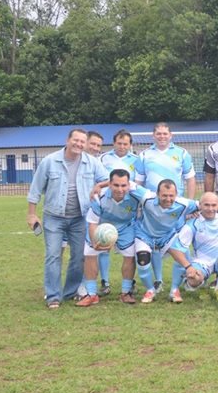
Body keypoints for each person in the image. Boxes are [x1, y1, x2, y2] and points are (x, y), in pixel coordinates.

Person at [27, 129, 109, 309]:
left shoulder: (92, 163)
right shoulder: (50, 161)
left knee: (79, 256)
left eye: (82, 142)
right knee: (53, 256)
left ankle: (70, 291)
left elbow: (107, 180)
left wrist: (98, 185)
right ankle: (53, 296)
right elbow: (35, 189)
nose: (79, 144)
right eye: (76, 140)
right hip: (54, 217)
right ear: (67, 140)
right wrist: (32, 214)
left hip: (80, 217)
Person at [134, 122, 196, 288]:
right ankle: (158, 280)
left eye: (165, 133)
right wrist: (139, 207)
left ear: (171, 135)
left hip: (174, 207)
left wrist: (189, 205)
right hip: (152, 208)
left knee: (181, 243)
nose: (162, 136)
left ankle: (184, 279)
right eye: (158, 133)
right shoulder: (144, 155)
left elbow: (190, 179)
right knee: (153, 244)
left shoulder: (182, 153)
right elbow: (138, 182)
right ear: (153, 135)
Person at [76, 169, 148, 306]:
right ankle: (91, 294)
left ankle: (126, 293)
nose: (120, 189)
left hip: (125, 227)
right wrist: (95, 242)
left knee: (130, 255)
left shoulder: (136, 194)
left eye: (123, 185)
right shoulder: (98, 197)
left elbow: (153, 198)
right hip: (102, 226)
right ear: (109, 184)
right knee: (90, 254)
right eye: (116, 185)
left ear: (129, 185)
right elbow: (92, 223)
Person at [133, 179, 200, 304]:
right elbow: (127, 184)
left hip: (167, 236)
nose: (168, 199)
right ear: (157, 194)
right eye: (164, 195)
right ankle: (150, 290)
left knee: (183, 255)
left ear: (176, 195)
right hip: (145, 235)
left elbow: (206, 204)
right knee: (143, 261)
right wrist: (100, 186)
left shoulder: (183, 203)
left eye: (171, 196)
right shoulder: (146, 197)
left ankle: (174, 290)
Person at [95, 129, 139, 295]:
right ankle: (105, 282)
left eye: (125, 144)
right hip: (107, 205)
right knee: (103, 242)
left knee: (130, 249)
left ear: (130, 145)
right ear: (114, 143)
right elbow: (98, 179)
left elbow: (139, 181)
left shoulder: (136, 160)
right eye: (119, 143)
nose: (122, 146)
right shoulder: (103, 158)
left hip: (128, 207)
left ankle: (129, 284)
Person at [168, 192, 218, 301]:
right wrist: (189, 267)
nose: (210, 209)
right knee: (194, 279)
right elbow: (174, 249)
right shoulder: (192, 224)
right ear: (200, 205)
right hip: (202, 262)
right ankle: (198, 284)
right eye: (206, 205)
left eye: (213, 205)